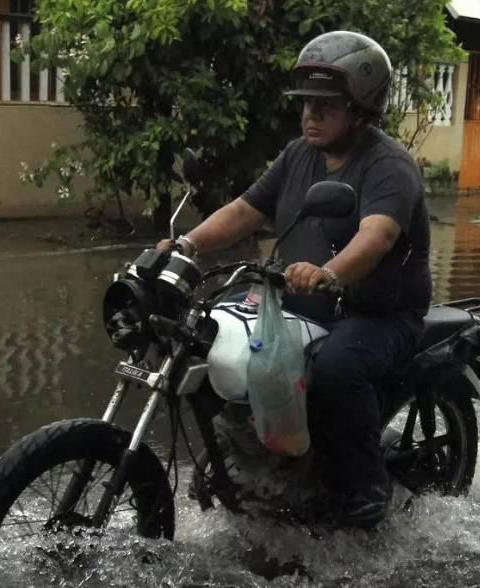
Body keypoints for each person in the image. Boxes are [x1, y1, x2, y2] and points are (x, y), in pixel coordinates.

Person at [161, 31, 432, 528]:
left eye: (325, 105)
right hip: (303, 303)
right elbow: (246, 209)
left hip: (378, 313)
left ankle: (365, 485)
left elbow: (377, 237)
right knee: (214, 336)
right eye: (306, 103)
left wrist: (328, 272)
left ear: (360, 107)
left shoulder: (389, 166)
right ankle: (246, 451)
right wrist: (186, 246)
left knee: (335, 368)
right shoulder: (298, 155)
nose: (311, 114)